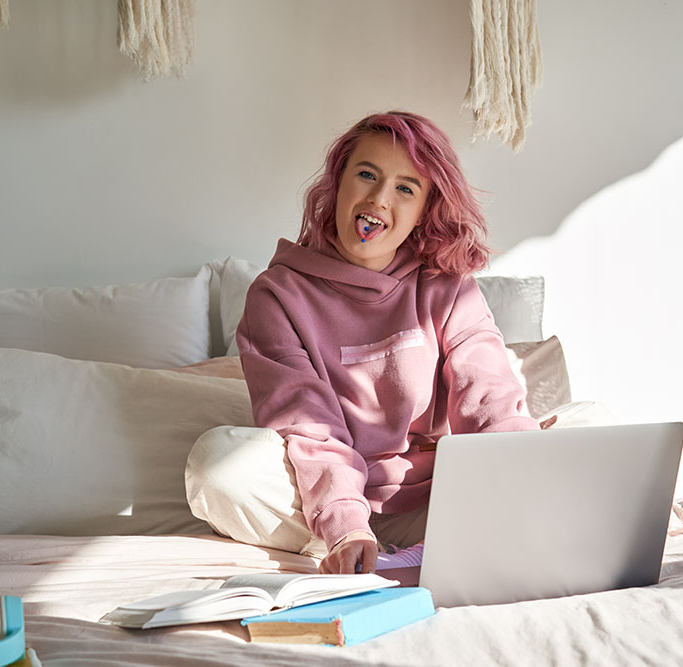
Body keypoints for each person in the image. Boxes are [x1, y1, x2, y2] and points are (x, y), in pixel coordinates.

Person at [186, 110, 543, 576]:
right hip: (319, 505)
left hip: (434, 499)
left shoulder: (448, 286)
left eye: (405, 188)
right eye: (367, 175)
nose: (379, 198)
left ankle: (421, 545)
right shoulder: (277, 296)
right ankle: (367, 550)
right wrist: (346, 526)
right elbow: (309, 426)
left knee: (584, 424)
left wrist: (527, 480)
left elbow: (490, 397)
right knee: (218, 465)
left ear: (424, 211)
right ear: (338, 183)